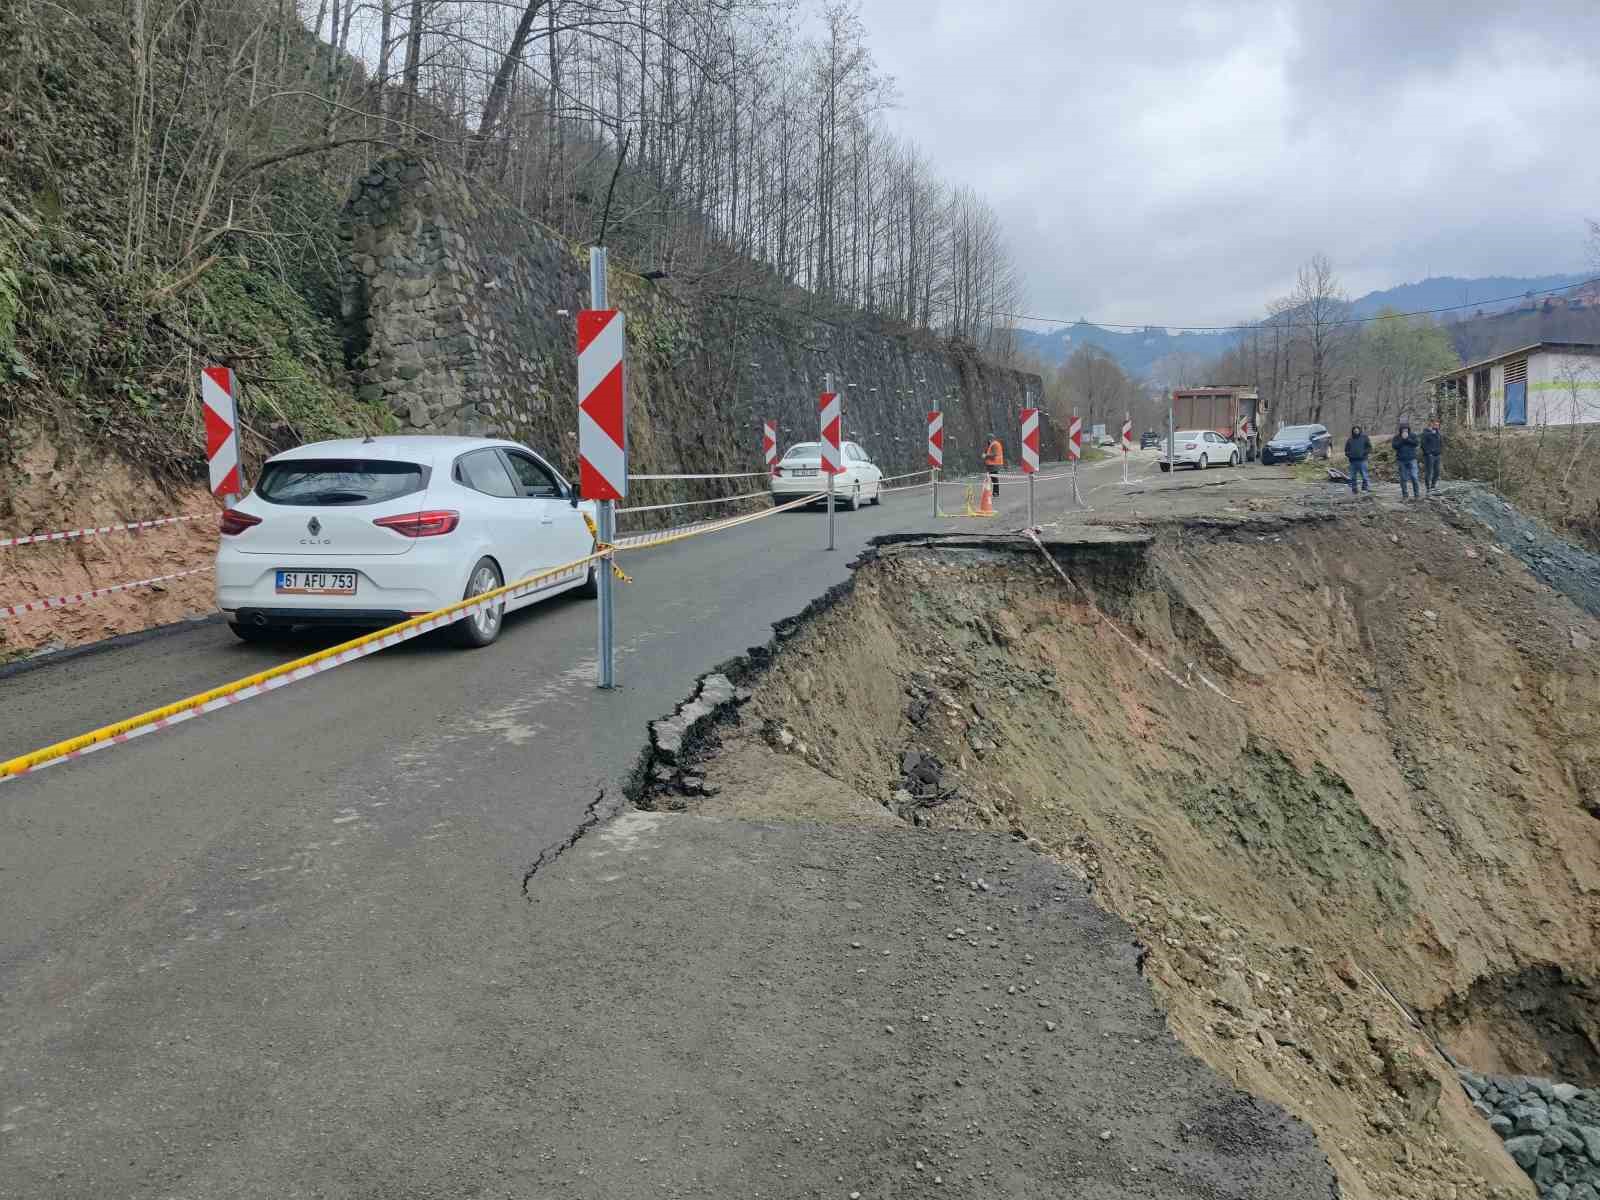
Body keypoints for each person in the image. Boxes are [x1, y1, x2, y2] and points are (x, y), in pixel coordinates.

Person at [1392, 420, 1420, 500]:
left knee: (1414, 477)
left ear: (1408, 429)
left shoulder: (1413, 435)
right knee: (1403, 478)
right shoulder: (1396, 437)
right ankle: (1405, 495)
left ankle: (1417, 495)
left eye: (1406, 429)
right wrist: (1402, 440)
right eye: (1403, 429)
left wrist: (1407, 439)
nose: (1405, 430)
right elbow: (1394, 446)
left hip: (1412, 459)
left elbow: (1416, 443)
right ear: (1400, 429)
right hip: (1401, 460)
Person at [1343, 425, 1372, 494]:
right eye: (1354, 430)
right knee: (1353, 476)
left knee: (1364, 476)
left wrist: (1364, 454)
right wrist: (1349, 455)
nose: (1356, 431)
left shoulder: (1365, 438)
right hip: (1353, 461)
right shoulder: (1350, 439)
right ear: (1353, 431)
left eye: (1357, 430)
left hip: (1362, 460)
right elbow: (1346, 450)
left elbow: (1369, 448)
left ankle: (1365, 488)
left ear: (1359, 430)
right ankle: (1354, 489)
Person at [1421, 419, 1444, 496]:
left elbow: (1440, 443)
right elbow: (1423, 444)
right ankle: (1428, 488)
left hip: (1437, 455)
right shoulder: (1425, 433)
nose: (1437, 426)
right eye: (1435, 425)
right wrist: (1428, 453)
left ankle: (1433, 486)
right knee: (1429, 472)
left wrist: (1440, 452)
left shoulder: (1438, 433)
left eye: (1438, 425)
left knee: (1437, 472)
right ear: (1431, 425)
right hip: (1429, 456)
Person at [984, 433, 1004, 498]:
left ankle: (995, 493)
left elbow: (994, 455)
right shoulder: (995, 444)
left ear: (990, 439)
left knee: (994, 479)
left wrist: (986, 455)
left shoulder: (994, 444)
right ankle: (995, 492)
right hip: (994, 464)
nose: (987, 441)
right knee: (994, 479)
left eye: (988, 439)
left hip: (993, 464)